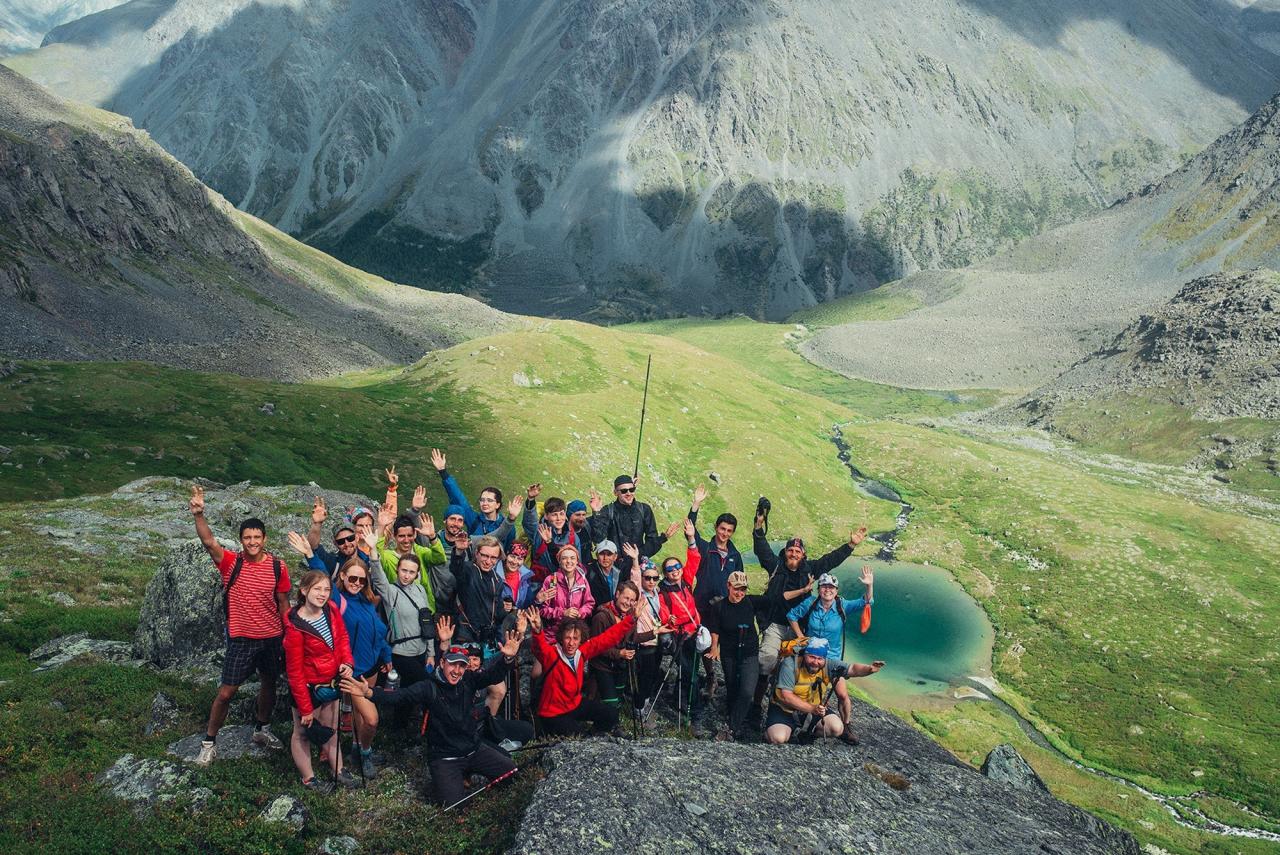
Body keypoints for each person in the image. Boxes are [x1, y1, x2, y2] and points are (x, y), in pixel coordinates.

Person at [359, 615, 523, 805]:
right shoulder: (429, 687)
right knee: (454, 805)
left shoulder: (468, 680)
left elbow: (492, 675)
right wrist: (369, 693)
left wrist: (507, 658)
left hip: (474, 749)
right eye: (453, 664)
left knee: (512, 773)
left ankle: (468, 772)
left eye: (462, 666)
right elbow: (399, 696)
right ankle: (457, 776)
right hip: (445, 757)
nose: (457, 671)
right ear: (443, 663)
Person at [189, 485, 290, 766]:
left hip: (272, 638)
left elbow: (283, 603)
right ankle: (209, 742)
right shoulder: (231, 563)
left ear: (265, 538)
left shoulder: (278, 567)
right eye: (247, 537)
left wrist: (289, 634)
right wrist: (198, 515)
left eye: (257, 537)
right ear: (241, 540)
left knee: (269, 683)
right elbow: (209, 542)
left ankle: (262, 729)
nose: (252, 542)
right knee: (226, 693)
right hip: (241, 639)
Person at [751, 517, 868, 717]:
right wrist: (758, 526)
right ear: (785, 552)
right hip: (775, 625)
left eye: (797, 551)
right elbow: (762, 549)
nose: (793, 554)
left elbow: (830, 560)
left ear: (803, 554)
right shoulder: (776, 565)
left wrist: (851, 545)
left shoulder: (810, 569)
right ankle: (755, 705)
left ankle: (790, 707)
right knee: (767, 660)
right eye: (790, 550)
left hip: (799, 629)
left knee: (798, 667)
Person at [283, 570, 375, 790]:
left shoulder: (331, 610)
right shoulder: (295, 627)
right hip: (308, 688)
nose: (322, 594)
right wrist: (305, 708)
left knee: (331, 728)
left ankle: (339, 770)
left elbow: (342, 638)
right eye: (317, 589)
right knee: (302, 733)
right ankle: (309, 778)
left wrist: (347, 662)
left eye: (326, 589)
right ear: (304, 590)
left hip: (331, 682)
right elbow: (294, 672)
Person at [528, 606, 636, 736]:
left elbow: (607, 638)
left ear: (580, 640)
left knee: (611, 714)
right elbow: (539, 648)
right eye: (568, 638)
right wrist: (537, 631)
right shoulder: (552, 654)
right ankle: (584, 734)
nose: (571, 643)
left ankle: (594, 734)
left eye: (575, 638)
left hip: (574, 705)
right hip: (552, 713)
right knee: (578, 734)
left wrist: (631, 619)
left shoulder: (581, 653)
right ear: (561, 638)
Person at [330, 556, 390, 778]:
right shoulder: (339, 600)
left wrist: (386, 654)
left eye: (362, 580)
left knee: (360, 715)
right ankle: (366, 752)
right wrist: (310, 553)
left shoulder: (366, 601)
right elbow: (322, 574)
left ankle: (357, 748)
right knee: (372, 720)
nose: (357, 583)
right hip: (353, 672)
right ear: (342, 576)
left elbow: (377, 631)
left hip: (371, 666)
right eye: (352, 578)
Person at [765, 637, 882, 746]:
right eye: (811, 657)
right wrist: (812, 708)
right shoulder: (790, 664)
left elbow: (852, 669)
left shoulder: (829, 665)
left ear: (824, 658)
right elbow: (786, 696)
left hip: (813, 710)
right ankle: (776, 730)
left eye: (820, 659)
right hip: (785, 709)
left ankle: (807, 733)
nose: (815, 662)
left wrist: (869, 669)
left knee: (836, 728)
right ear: (805, 655)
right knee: (777, 738)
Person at [686, 484, 743, 697]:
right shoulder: (705, 547)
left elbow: (739, 583)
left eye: (729, 530)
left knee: (718, 645)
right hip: (700, 603)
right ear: (716, 528)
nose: (725, 533)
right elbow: (690, 530)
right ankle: (703, 678)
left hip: (723, 607)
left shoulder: (735, 556)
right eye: (722, 529)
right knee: (701, 641)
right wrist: (696, 504)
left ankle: (716, 680)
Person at [451, 533, 515, 716]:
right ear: (477, 554)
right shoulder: (468, 571)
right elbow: (456, 568)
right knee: (464, 689)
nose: (488, 561)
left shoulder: (497, 580)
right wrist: (459, 552)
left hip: (487, 642)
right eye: (485, 556)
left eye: (493, 557)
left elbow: (497, 616)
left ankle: (486, 727)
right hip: (465, 638)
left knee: (499, 691)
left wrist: (506, 609)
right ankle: (460, 725)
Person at [649, 521, 704, 730]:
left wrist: (691, 538)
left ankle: (680, 700)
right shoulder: (663, 592)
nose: (675, 571)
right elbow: (664, 615)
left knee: (691, 670)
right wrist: (670, 620)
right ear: (665, 573)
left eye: (677, 567)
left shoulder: (686, 581)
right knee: (690, 673)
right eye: (670, 569)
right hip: (679, 636)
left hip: (693, 633)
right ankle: (693, 713)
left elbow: (695, 559)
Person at [703, 570, 770, 741]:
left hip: (749, 652)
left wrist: (801, 590)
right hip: (729, 653)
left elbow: (776, 600)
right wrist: (714, 647)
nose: (740, 593)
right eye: (736, 588)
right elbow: (715, 629)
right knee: (732, 687)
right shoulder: (719, 607)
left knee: (747, 691)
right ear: (728, 586)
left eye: (743, 589)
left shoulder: (751, 602)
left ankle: (730, 728)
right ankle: (735, 716)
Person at [588, 474, 678, 575]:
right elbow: (598, 539)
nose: (628, 493)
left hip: (638, 566)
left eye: (632, 490)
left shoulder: (644, 510)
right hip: (614, 568)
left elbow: (651, 541)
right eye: (624, 491)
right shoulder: (608, 511)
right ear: (615, 493)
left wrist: (662, 538)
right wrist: (596, 513)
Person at [430, 447, 516, 549]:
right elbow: (458, 498)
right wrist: (443, 472)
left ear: (498, 504)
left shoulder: (506, 525)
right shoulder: (474, 519)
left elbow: (509, 547)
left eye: (489, 500)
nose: (485, 503)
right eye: (482, 500)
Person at [587, 581, 647, 717]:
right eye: (626, 598)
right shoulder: (601, 617)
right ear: (617, 594)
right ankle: (604, 722)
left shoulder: (629, 615)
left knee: (618, 697)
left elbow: (632, 638)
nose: (628, 603)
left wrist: (655, 632)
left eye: (632, 600)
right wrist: (619, 653)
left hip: (620, 665)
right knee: (611, 703)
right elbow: (595, 647)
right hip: (603, 666)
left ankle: (613, 720)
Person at [629, 554, 676, 729]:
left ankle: (645, 704)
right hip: (644, 641)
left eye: (655, 578)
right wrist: (635, 561)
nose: (651, 581)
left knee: (653, 673)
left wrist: (668, 619)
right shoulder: (639, 593)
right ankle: (639, 710)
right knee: (645, 676)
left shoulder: (657, 593)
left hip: (657, 640)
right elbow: (634, 578)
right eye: (647, 577)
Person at [787, 567, 874, 656]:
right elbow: (791, 616)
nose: (827, 590)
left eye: (831, 587)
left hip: (832, 655)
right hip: (810, 653)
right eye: (824, 586)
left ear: (836, 591)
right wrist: (801, 636)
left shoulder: (843, 605)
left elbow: (866, 601)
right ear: (818, 590)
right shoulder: (810, 602)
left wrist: (869, 586)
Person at [537, 540, 595, 641]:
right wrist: (562, 613)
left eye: (572, 558)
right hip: (553, 634)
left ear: (577, 561)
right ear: (559, 562)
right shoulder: (551, 580)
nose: (569, 561)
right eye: (564, 558)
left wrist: (580, 612)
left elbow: (589, 604)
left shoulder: (582, 581)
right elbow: (543, 610)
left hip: (575, 632)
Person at [304, 496, 373, 576]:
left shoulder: (368, 561)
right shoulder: (332, 562)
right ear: (335, 543)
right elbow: (312, 547)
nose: (347, 543)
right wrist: (317, 524)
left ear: (357, 538)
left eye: (350, 538)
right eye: (341, 541)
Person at [523, 490, 583, 579]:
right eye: (554, 515)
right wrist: (530, 500)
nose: (559, 518)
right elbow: (529, 523)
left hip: (564, 583)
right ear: (546, 516)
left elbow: (578, 564)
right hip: (539, 583)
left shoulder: (573, 537)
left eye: (561, 514)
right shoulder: (540, 532)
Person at [585, 539, 622, 607]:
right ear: (597, 555)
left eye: (609, 554)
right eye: (602, 554)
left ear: (615, 556)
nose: (605, 558)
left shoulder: (620, 572)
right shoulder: (589, 573)